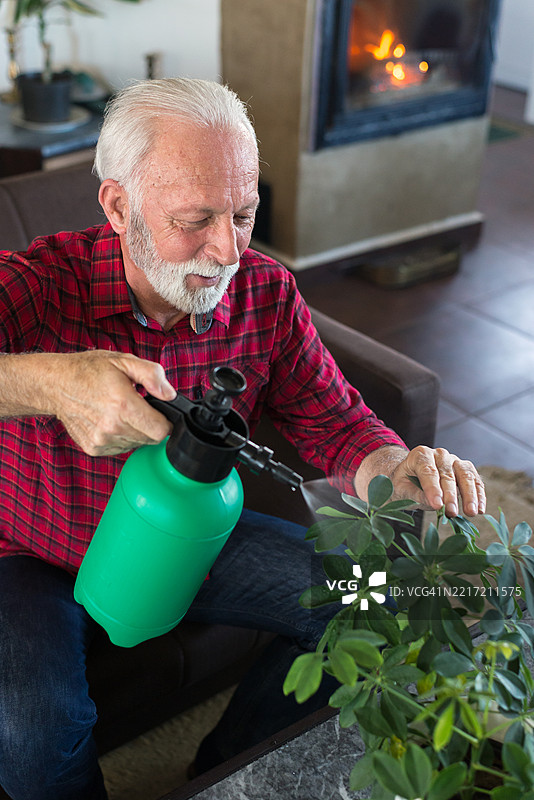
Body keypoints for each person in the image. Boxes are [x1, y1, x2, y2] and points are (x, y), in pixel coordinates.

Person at [0, 78, 485, 800]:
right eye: (196, 219)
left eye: (245, 214)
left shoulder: (266, 293)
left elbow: (337, 423)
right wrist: (50, 384)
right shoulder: (39, 285)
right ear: (119, 206)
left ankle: (224, 771)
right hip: (30, 552)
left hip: (194, 539)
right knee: (30, 739)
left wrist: (398, 463)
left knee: (374, 603)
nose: (227, 249)